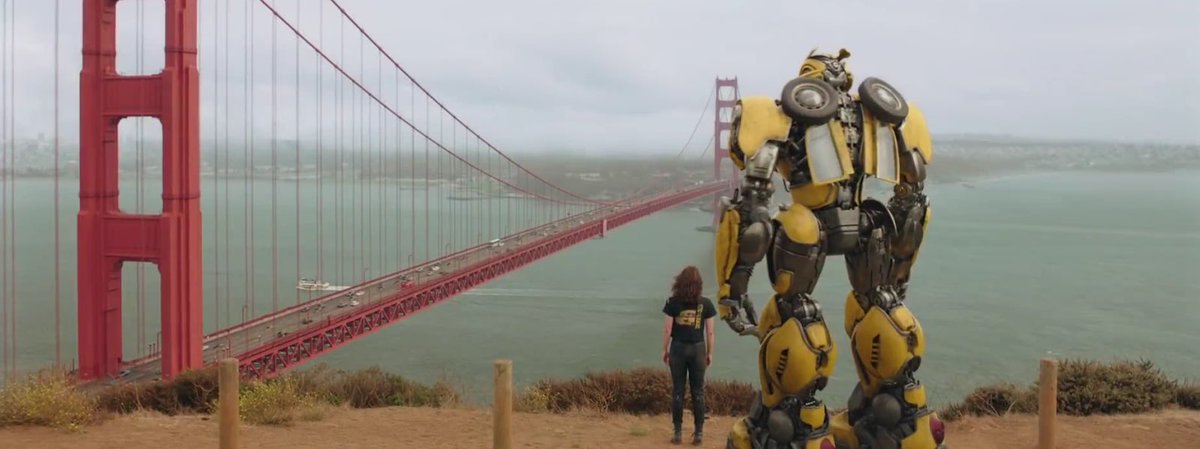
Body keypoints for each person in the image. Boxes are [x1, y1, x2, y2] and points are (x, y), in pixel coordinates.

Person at [661, 265, 716, 445]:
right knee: (698, 391)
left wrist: (664, 349)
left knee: (678, 390)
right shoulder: (706, 304)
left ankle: (677, 432)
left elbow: (668, 329)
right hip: (698, 349)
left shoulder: (672, 303)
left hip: (678, 348)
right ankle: (698, 433)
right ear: (699, 284)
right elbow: (710, 332)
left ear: (680, 282)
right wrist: (710, 352)